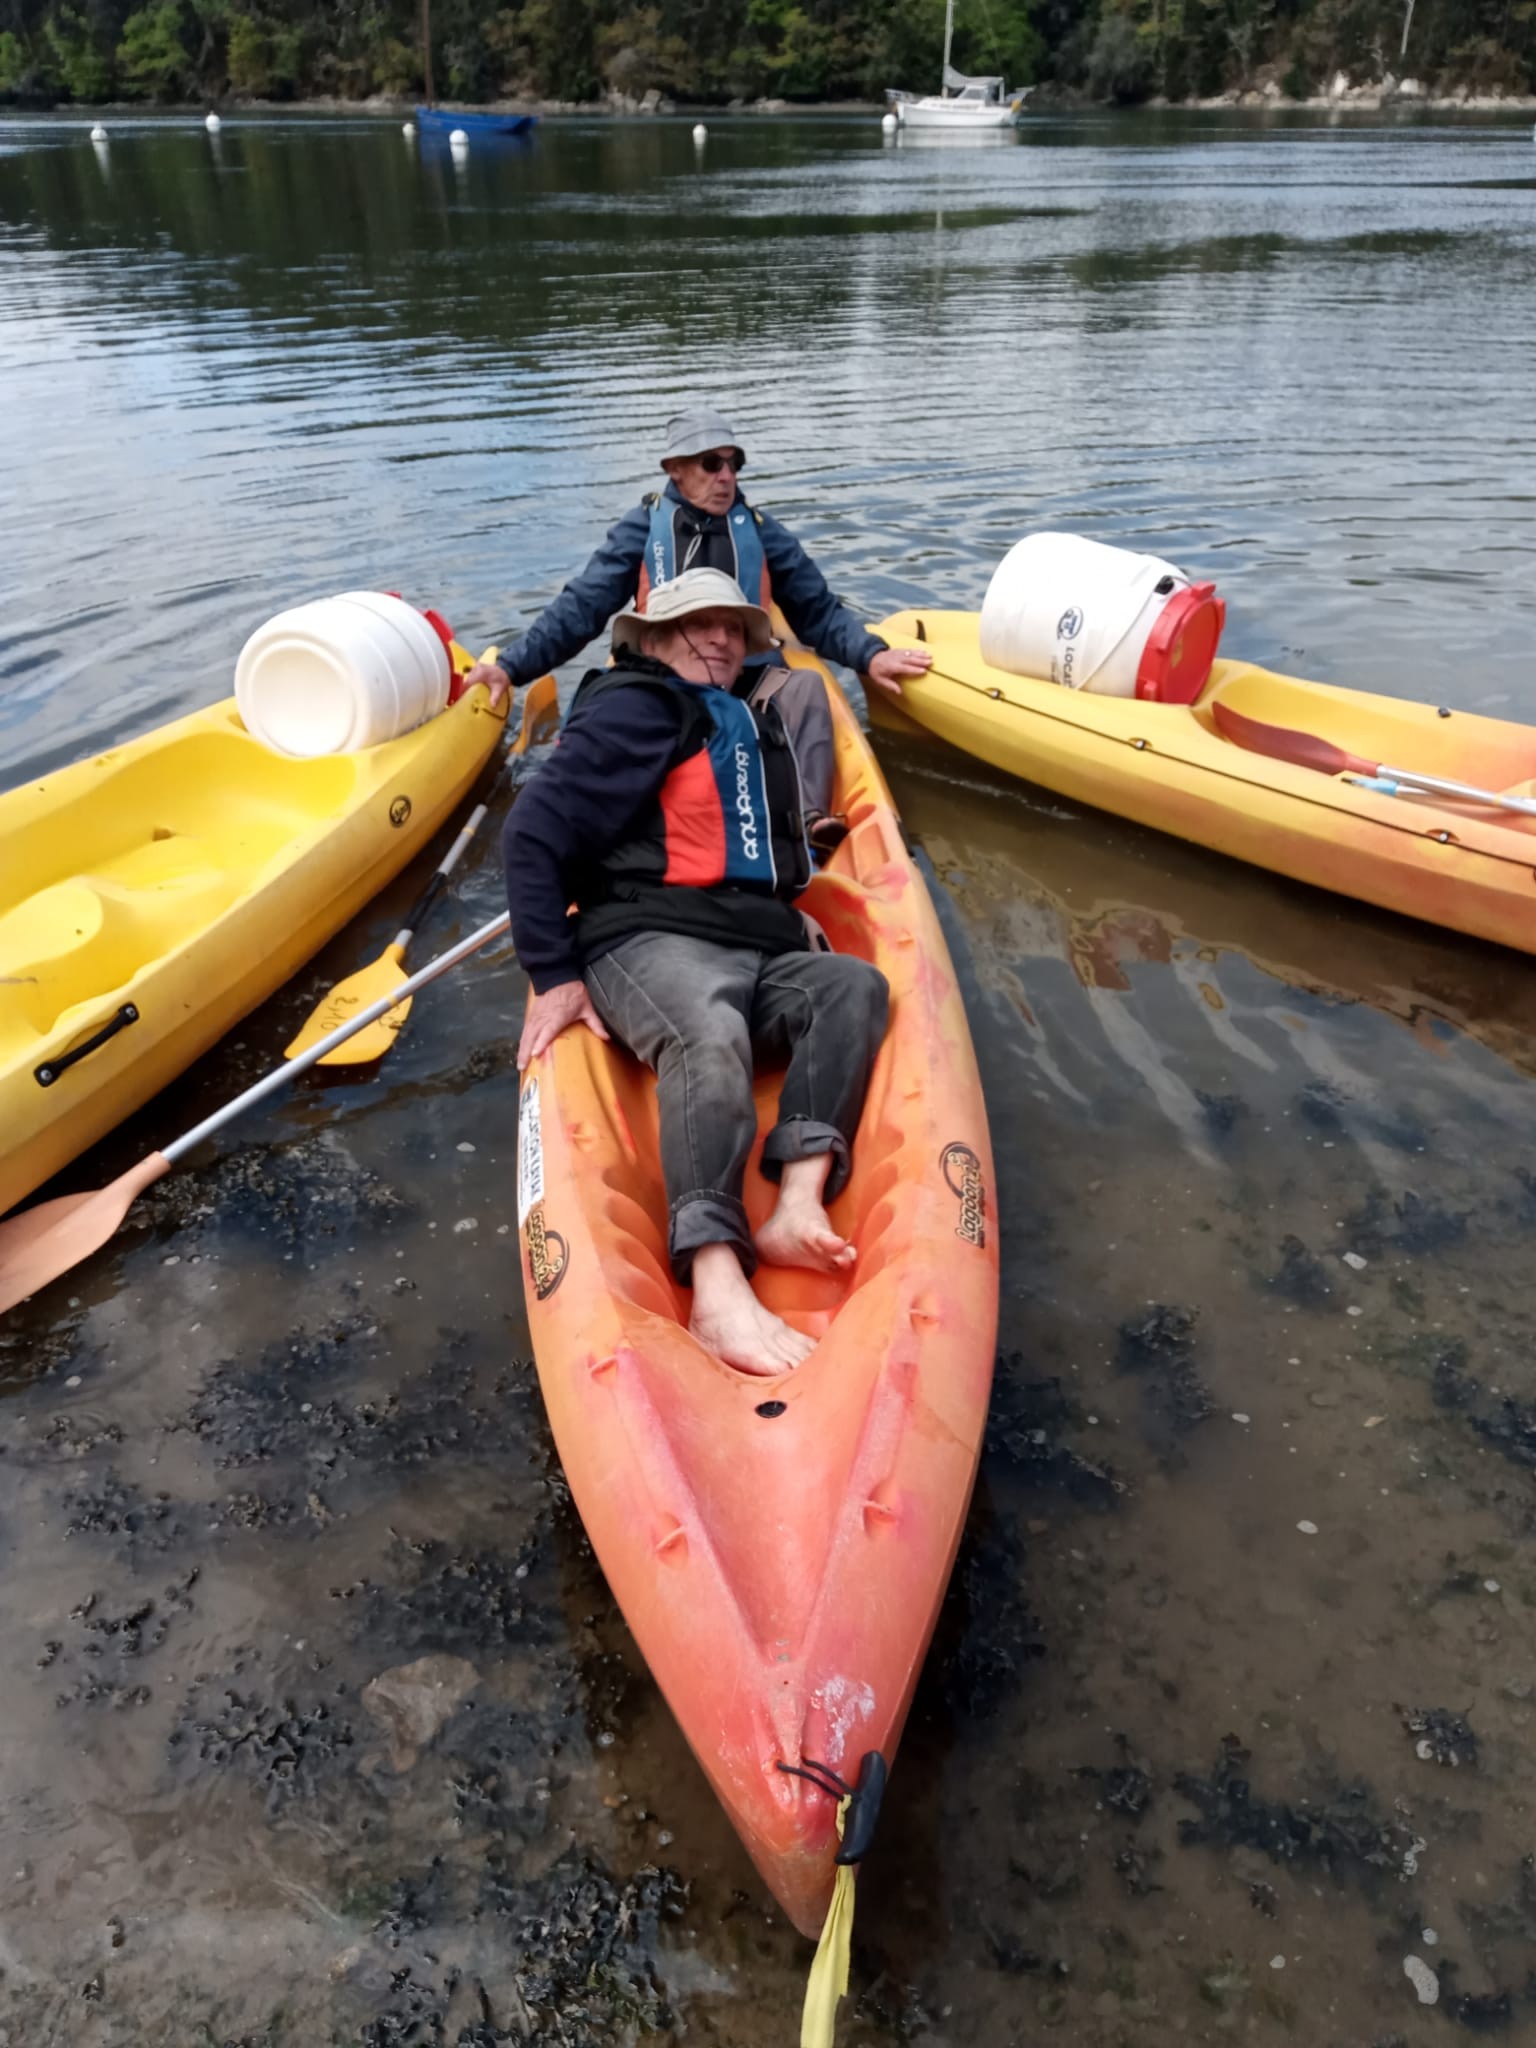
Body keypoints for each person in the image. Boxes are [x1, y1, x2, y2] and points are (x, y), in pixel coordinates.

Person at [504, 568, 890, 1378]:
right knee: (708, 1034)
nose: (720, 637)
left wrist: (791, 914)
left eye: (732, 627)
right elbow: (532, 829)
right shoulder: (637, 708)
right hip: (646, 938)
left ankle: (794, 1203)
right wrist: (553, 972)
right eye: (696, 625)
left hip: (748, 939)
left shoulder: (739, 716)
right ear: (648, 641)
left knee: (851, 988)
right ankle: (716, 1284)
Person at [464, 403, 931, 709]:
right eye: (711, 464)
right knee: (594, 710)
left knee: (808, 700)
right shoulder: (643, 527)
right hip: (661, 676)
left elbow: (818, 611)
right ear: (676, 469)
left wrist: (870, 655)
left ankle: (809, 825)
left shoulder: (764, 532)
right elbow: (582, 606)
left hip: (748, 675)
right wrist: (511, 665)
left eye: (733, 464)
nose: (726, 477)